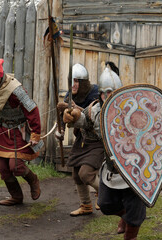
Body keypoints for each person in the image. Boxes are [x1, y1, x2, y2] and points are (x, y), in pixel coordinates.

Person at [63, 64, 146, 239]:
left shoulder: (133, 110)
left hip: (132, 168)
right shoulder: (96, 109)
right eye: (103, 93)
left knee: (134, 211)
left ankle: (130, 232)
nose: (106, 96)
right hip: (111, 167)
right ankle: (124, 217)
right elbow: (86, 120)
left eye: (111, 92)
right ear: (99, 94)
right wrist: (75, 116)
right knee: (105, 204)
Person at [0, 58, 41, 206]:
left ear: (0, 76)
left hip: (19, 131)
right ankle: (16, 196)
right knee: (2, 168)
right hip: (3, 130)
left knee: (16, 166)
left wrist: (36, 133)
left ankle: (33, 180)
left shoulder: (15, 89)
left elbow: (32, 110)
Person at [56, 63, 101, 217]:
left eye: (76, 81)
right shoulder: (69, 96)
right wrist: (60, 131)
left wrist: (78, 109)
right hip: (82, 138)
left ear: (83, 82)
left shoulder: (96, 93)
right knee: (76, 174)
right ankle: (86, 206)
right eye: (71, 81)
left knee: (86, 174)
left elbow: (96, 116)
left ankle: (104, 195)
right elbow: (64, 118)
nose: (73, 85)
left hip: (97, 140)